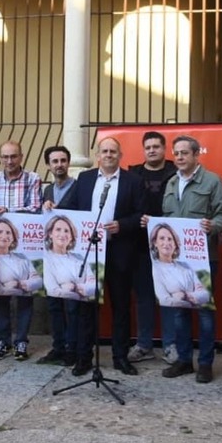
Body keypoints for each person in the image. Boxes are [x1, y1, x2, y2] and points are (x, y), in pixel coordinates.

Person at [57, 137, 145, 376]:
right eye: (104, 151)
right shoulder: (84, 179)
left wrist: (122, 225)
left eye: (113, 151)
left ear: (120, 155)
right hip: (89, 253)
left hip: (119, 251)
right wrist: (50, 209)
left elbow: (140, 215)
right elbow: (69, 207)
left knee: (121, 307)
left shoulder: (133, 181)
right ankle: (84, 358)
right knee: (87, 309)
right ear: (97, 155)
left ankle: (120, 357)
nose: (108, 155)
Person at [149, 135, 222, 384]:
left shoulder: (212, 181)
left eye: (185, 153)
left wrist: (212, 225)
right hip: (175, 260)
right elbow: (166, 218)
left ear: (196, 155)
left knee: (204, 311)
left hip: (203, 258)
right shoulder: (171, 182)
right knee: (179, 310)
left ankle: (205, 364)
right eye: (177, 153)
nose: (180, 157)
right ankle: (184, 360)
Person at [0, 141, 42, 361]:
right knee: (1, 298)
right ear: (0, 157)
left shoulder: (33, 179)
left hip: (24, 248)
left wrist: (9, 211)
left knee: (25, 296)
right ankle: (3, 340)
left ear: (21, 156)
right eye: (5, 157)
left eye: (13, 156)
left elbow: (35, 209)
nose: (9, 161)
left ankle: (22, 341)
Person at [128, 131, 178, 364]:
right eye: (147, 147)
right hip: (139, 245)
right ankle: (144, 344)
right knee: (144, 296)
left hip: (170, 246)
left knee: (169, 296)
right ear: (143, 149)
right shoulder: (133, 173)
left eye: (156, 146)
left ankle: (170, 345)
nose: (151, 150)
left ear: (164, 148)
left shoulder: (175, 173)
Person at [37, 145, 77, 367]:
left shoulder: (79, 187)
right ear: (49, 165)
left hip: (71, 258)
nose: (59, 164)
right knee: (54, 305)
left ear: (68, 163)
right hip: (52, 258)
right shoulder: (47, 191)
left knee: (71, 306)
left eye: (63, 160)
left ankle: (73, 348)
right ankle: (58, 347)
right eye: (55, 161)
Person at [149, 222, 208, 307]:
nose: (166, 242)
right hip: (172, 314)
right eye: (162, 238)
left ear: (175, 244)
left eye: (170, 239)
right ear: (155, 243)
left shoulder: (185, 266)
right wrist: (192, 298)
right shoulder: (155, 269)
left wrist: (185, 295)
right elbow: (164, 301)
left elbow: (205, 295)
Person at [42, 215, 96, 301]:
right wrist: (76, 295)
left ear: (71, 237)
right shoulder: (45, 259)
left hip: (82, 307)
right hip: (58, 305)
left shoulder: (80, 258)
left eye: (66, 231)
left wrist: (77, 288)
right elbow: (52, 290)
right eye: (58, 229)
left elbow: (95, 285)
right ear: (50, 234)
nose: (62, 234)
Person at [0, 218, 42, 295]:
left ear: (13, 237)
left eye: (8, 233)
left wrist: (20, 284)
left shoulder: (22, 257)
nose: (4, 235)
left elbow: (38, 280)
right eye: (0, 232)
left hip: (25, 300)